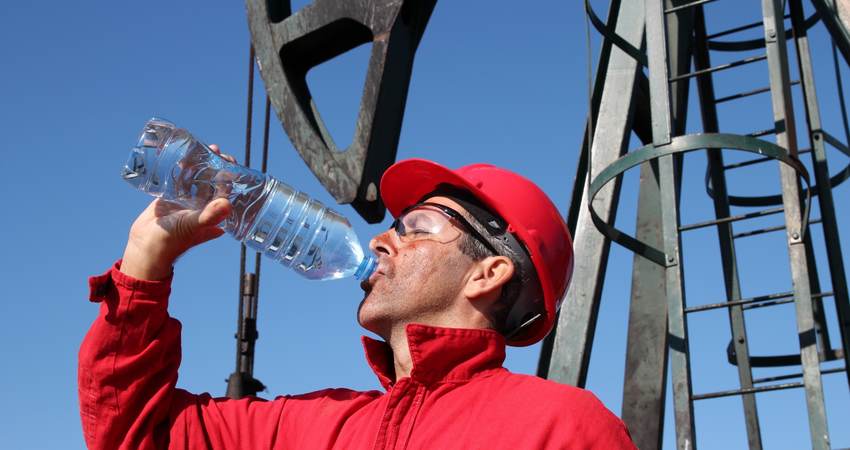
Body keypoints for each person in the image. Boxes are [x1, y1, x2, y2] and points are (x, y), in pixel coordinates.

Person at [79, 150, 635, 449]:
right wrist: (146, 258)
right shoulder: (307, 427)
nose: (379, 239)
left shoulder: (559, 428)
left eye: (415, 226)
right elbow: (136, 436)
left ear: (487, 273)